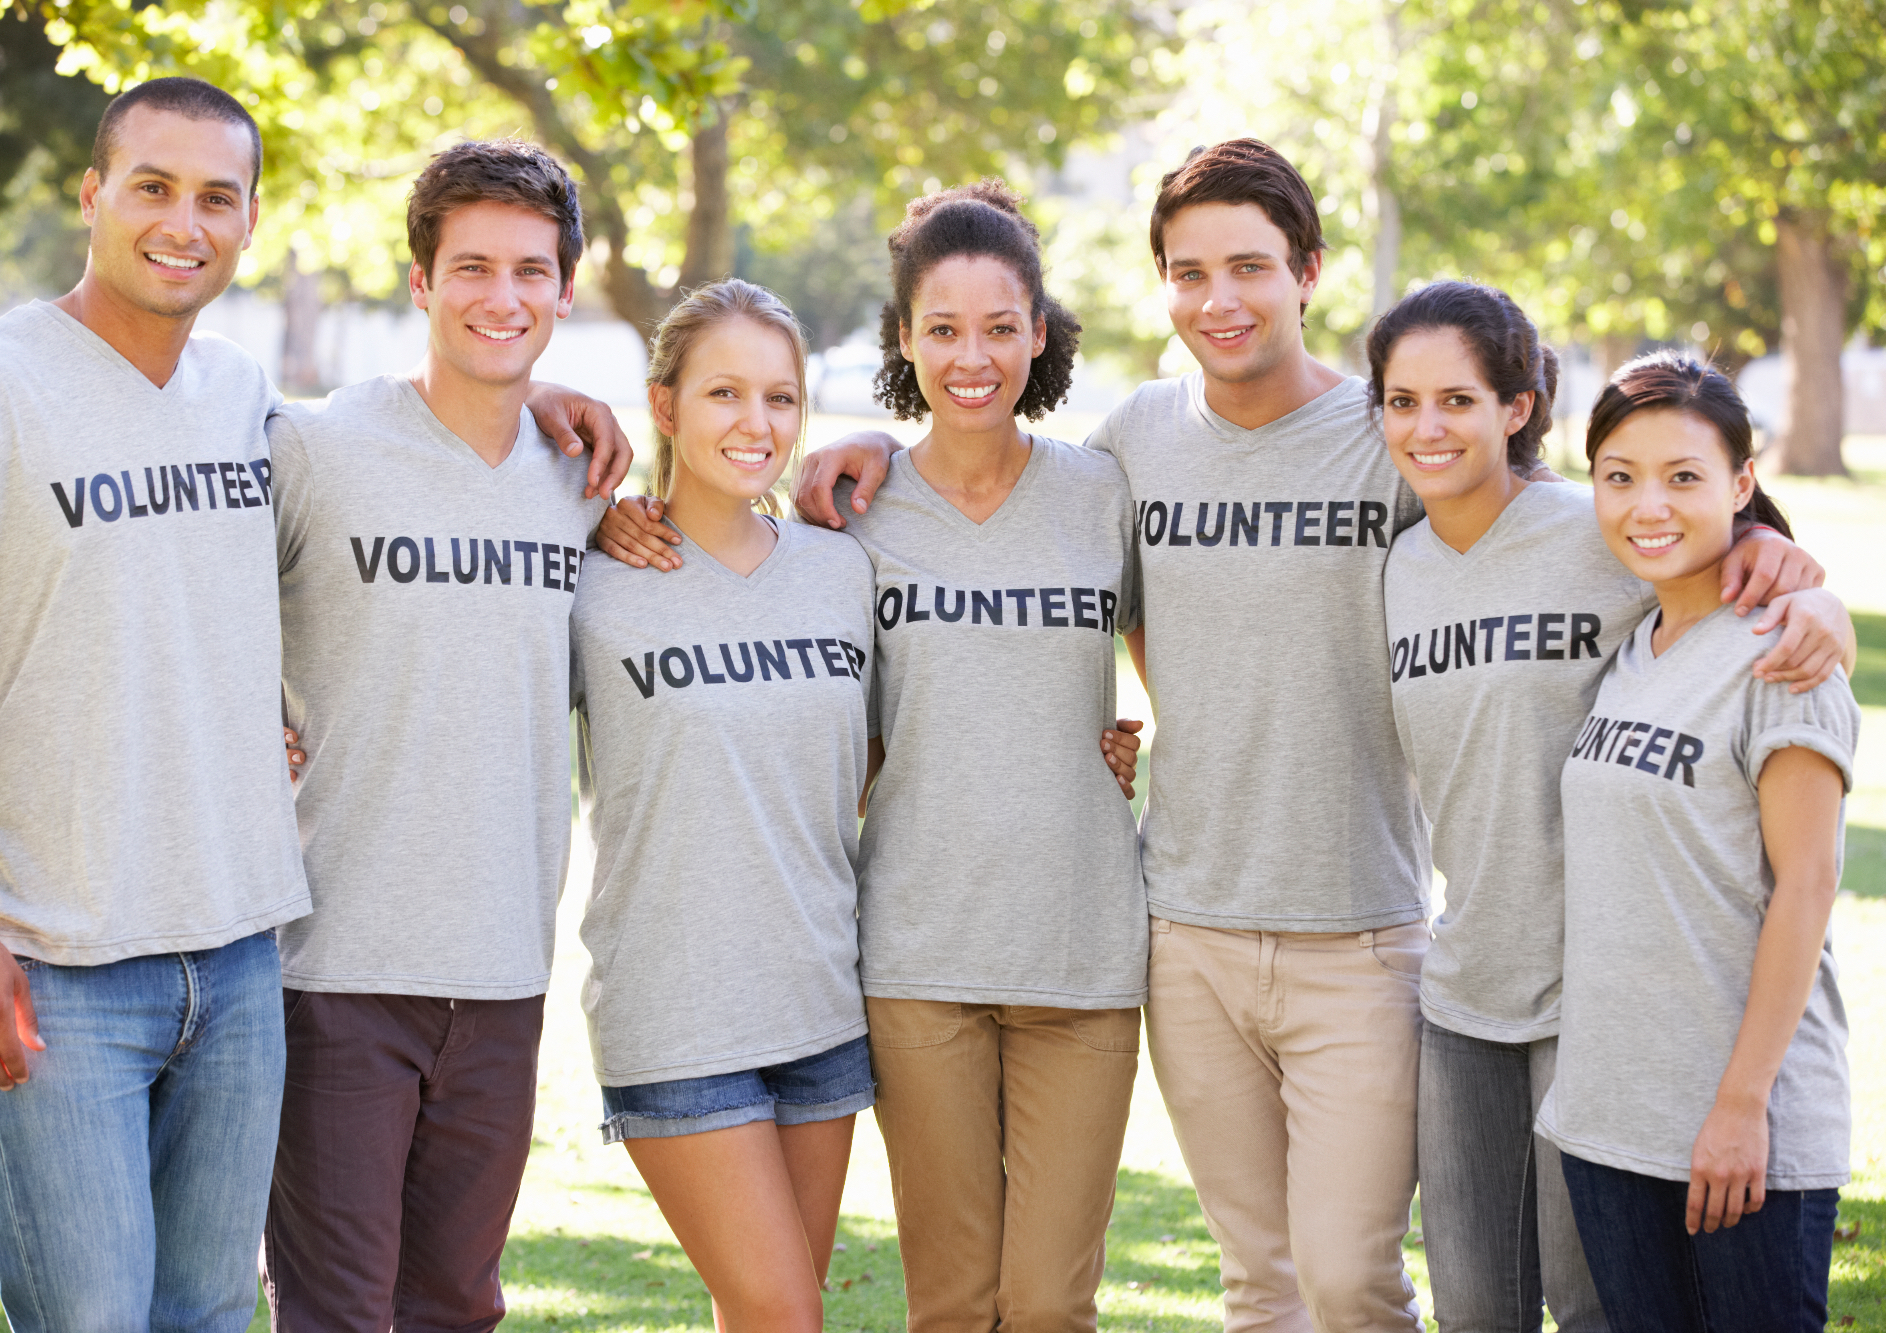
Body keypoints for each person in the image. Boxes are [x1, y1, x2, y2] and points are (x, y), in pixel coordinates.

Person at [757, 140, 1832, 1331]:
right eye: (1188, 270)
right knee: (1257, 1289)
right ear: (1158, 283)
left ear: (1307, 271)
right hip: (1185, 931)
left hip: (1362, 930)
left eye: (1249, 267)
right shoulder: (1130, 447)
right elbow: (1067, 578)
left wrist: (1780, 566)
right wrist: (849, 450)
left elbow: (1629, 529)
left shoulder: (1389, 439)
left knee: (1347, 1281)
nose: (1218, 299)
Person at [0, 80, 630, 1331]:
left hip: (238, 951)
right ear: (93, 193)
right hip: (58, 957)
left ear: (246, 221)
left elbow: (282, 560)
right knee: (93, 1317)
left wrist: (548, 400)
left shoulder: (243, 399)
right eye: (154, 188)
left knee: (212, 1315)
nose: (185, 222)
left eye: (216, 198)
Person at [598, 180, 1150, 1332]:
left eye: (1000, 326)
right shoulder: (851, 515)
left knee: (1050, 1305)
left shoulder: (1103, 494)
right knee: (948, 1303)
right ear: (901, 338)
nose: (971, 355)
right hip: (912, 958)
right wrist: (609, 513)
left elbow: (1180, 666)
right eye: (940, 328)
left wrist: (1130, 744)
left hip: (1081, 952)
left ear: (1038, 333)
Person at [1370, 282, 1851, 1333]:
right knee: (1476, 1308)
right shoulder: (1401, 564)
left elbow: (1804, 863)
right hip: (1473, 994)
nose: (1426, 425)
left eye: (1457, 397)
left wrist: (1814, 601)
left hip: (1599, 1012)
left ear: (1517, 406)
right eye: (1400, 401)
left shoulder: (1617, 552)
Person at [257, 138, 607, 1331]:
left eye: (528, 271)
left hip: (506, 966)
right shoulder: (314, 448)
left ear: (565, 288)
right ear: (421, 282)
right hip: (336, 962)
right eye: (470, 268)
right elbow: (169, 587)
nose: (499, 298)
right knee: (337, 1309)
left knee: (458, 1302)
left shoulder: (585, 483)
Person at [569, 278, 876, 1332]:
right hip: (676, 1008)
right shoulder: (592, 579)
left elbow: (879, 759)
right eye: (724, 395)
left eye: (780, 399)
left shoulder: (844, 573)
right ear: (663, 407)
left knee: (767, 1317)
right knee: (780, 1312)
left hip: (821, 1002)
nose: (757, 425)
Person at [1538, 354, 1859, 1331]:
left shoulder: (1781, 655)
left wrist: (1737, 1106)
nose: (1648, 505)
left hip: (1741, 1128)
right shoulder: (1630, 646)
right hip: (1605, 1119)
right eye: (1618, 475)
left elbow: (1804, 887)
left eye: (1682, 476)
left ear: (1739, 485)